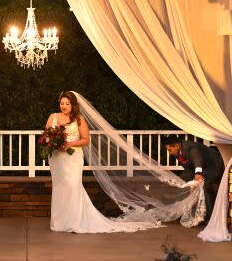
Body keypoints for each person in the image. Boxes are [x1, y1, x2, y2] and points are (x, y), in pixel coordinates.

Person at [46, 91, 163, 233]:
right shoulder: (53, 117)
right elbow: (47, 135)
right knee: (60, 187)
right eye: (62, 103)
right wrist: (53, 143)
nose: (64, 106)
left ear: (73, 105)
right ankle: (59, 223)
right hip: (57, 158)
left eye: (67, 103)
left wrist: (69, 144)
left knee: (72, 186)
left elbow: (85, 140)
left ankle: (75, 220)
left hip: (72, 157)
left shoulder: (79, 119)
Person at [164, 135, 225, 223]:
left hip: (212, 166)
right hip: (194, 168)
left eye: (170, 150)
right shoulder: (177, 152)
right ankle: (180, 211)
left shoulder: (191, 148)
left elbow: (198, 160)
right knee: (181, 182)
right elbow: (187, 165)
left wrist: (197, 175)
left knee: (202, 185)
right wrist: (188, 182)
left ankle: (206, 216)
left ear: (177, 146)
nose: (169, 153)